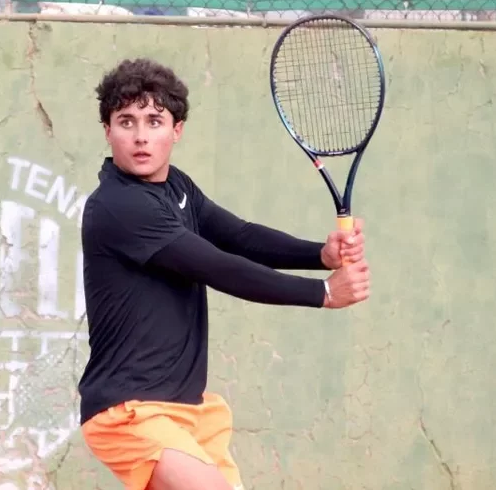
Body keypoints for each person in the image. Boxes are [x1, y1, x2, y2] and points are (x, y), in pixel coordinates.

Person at [76, 57, 372, 490]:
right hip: (129, 411)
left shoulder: (176, 188)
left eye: (155, 121)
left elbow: (239, 236)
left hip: (187, 411)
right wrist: (323, 292)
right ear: (108, 130)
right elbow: (219, 266)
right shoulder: (120, 207)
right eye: (126, 121)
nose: (141, 136)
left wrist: (321, 255)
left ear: (176, 130)